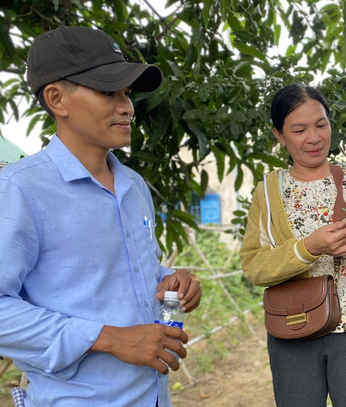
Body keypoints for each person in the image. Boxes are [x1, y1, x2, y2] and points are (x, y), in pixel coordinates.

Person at [0, 26, 202, 406]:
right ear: (57, 98)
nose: (126, 106)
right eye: (109, 92)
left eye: (126, 93)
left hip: (152, 395)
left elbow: (120, 273)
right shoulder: (19, 190)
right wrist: (110, 338)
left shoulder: (133, 186)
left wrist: (170, 279)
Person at [239, 83, 346, 407]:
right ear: (278, 135)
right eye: (299, 129)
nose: (314, 138)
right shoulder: (270, 192)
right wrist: (308, 249)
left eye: (321, 125)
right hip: (294, 328)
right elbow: (254, 267)